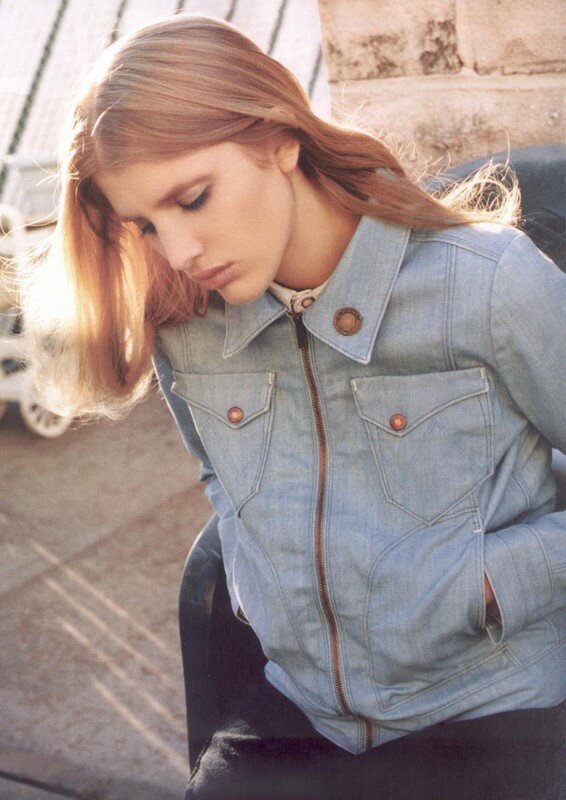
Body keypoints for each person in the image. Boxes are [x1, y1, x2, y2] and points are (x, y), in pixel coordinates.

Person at [22, 14, 565, 800]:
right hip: (299, 715)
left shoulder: (486, 284)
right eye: (146, 226)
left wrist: (484, 584)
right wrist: (262, 582)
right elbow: (221, 477)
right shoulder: (189, 327)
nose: (179, 252)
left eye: (193, 198)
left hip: (491, 709)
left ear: (280, 138)